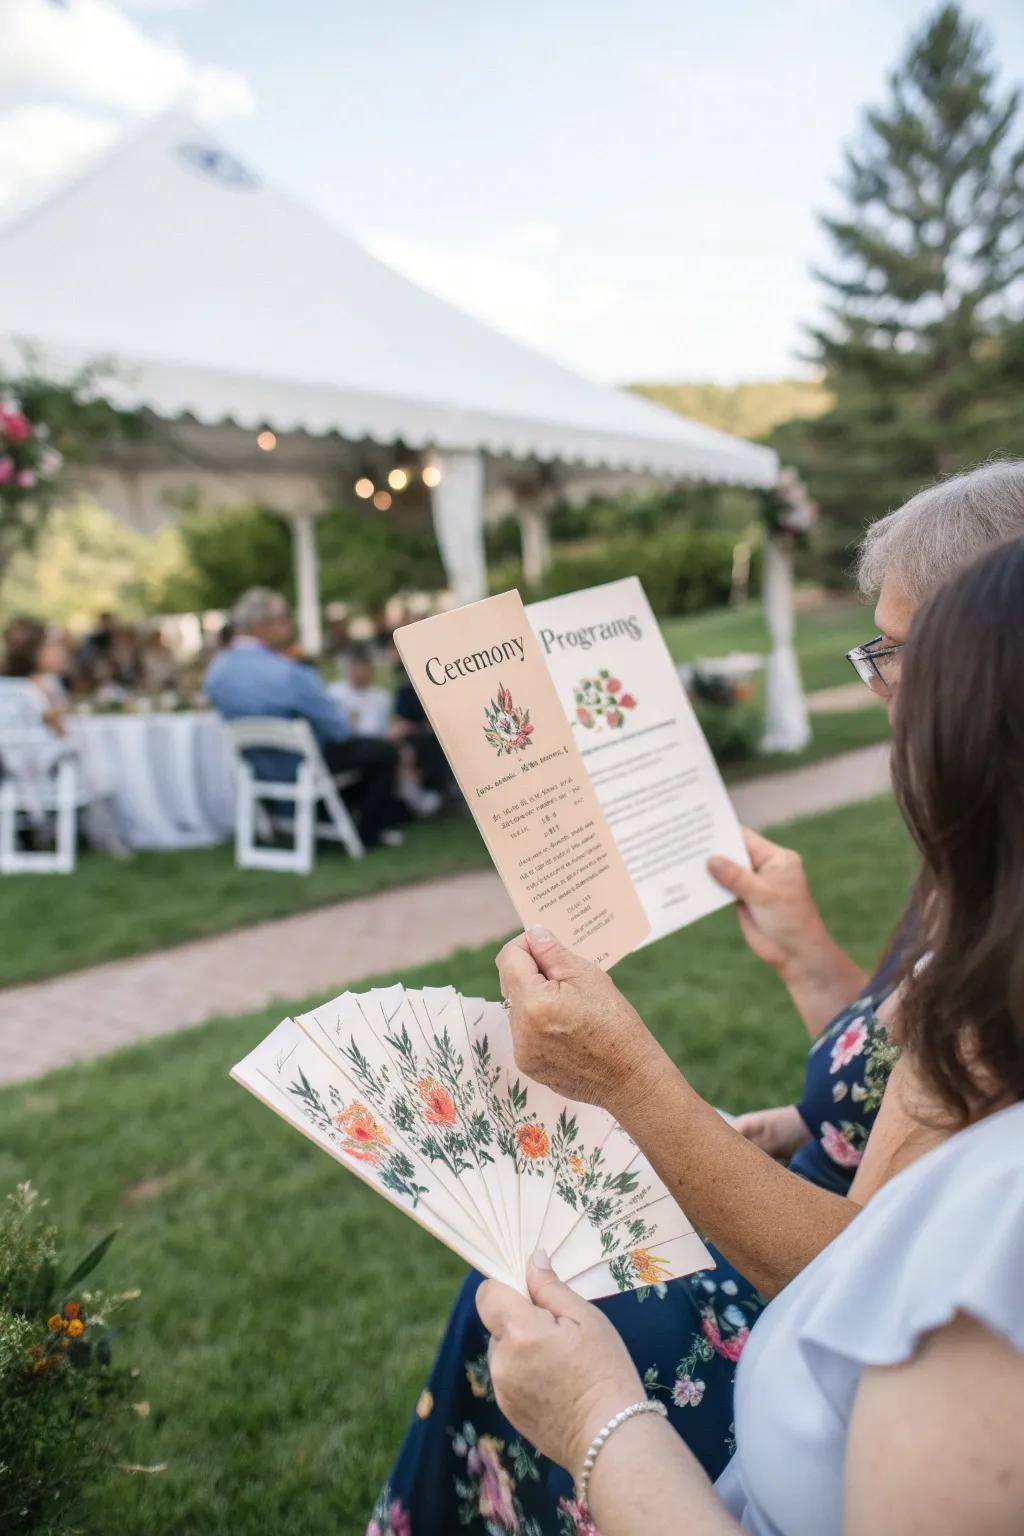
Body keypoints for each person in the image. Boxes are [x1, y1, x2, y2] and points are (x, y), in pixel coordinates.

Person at [372, 459, 1024, 1532]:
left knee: (531, 1290)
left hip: (799, 1327)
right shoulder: (982, 867)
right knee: (524, 1274)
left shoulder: (978, 1283)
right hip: (810, 1270)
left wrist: (631, 1084)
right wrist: (810, 964)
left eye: (892, 653)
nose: (878, 686)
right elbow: (917, 1101)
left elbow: (863, 1271)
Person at [203, 587, 404, 850]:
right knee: (384, 752)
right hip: (302, 766)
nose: (290, 624)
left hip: (257, 768)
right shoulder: (289, 672)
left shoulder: (217, 672)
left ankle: (326, 817)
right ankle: (369, 834)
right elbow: (339, 729)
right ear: (262, 624)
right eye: (285, 617)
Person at [330, 643, 393, 739]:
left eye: (363, 666)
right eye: (355, 666)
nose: (359, 671)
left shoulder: (381, 696)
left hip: (376, 743)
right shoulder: (334, 692)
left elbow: (383, 728)